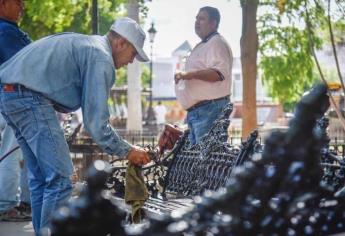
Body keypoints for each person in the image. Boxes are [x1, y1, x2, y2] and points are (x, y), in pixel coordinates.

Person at [0, 17, 151, 234]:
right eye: (133, 54)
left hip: (10, 94)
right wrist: (128, 151)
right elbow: (96, 124)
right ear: (121, 43)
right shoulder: (101, 58)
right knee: (62, 179)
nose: (131, 61)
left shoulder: (89, 44)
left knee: (42, 179)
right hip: (29, 99)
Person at [174, 6, 233, 145]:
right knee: (198, 163)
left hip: (209, 111)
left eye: (201, 19)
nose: (197, 21)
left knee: (206, 163)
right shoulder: (206, 44)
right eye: (196, 18)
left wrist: (189, 75)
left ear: (213, 23)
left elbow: (219, 73)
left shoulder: (217, 43)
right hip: (201, 112)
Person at [0, 0, 32, 222]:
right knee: (12, 153)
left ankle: (18, 203)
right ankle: (7, 205)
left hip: (10, 99)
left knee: (19, 152)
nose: (22, 7)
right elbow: (25, 69)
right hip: (14, 99)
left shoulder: (9, 31)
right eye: (18, 2)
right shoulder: (6, 33)